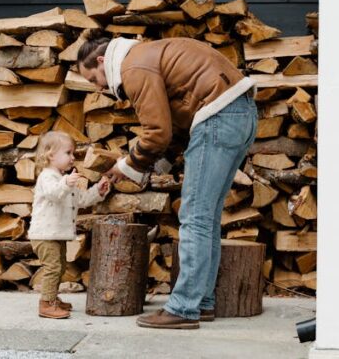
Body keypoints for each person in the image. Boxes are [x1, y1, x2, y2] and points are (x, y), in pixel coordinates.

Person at [76, 30, 257, 329]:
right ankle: (202, 303)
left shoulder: (132, 67)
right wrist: (153, 165)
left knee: (195, 217)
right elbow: (173, 129)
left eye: (94, 79)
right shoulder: (147, 55)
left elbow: (157, 132)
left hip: (219, 115)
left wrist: (128, 165)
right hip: (240, 114)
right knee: (206, 217)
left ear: (101, 60)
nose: (100, 88)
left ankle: (183, 308)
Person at [28, 131, 112, 319]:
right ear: (51, 155)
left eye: (73, 153)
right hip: (44, 235)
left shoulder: (64, 179)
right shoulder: (47, 177)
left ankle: (53, 299)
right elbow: (53, 194)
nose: (73, 158)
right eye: (68, 153)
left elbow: (80, 200)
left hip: (57, 234)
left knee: (61, 267)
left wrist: (97, 191)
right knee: (53, 268)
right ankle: (46, 304)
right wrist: (66, 183)